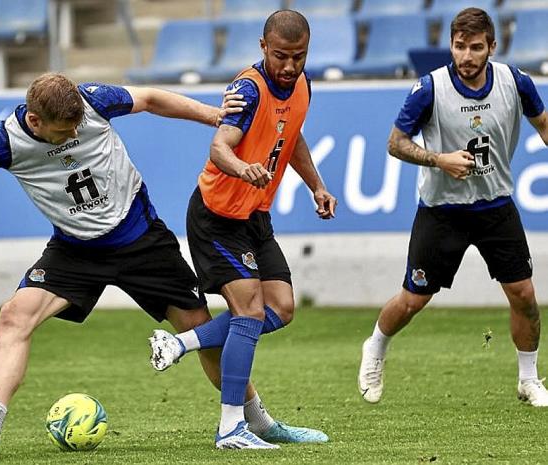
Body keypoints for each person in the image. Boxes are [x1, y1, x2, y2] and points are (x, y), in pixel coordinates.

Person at [0, 73, 305, 459]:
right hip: (75, 251)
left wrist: (213, 115)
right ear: (35, 121)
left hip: (142, 240)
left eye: (77, 128)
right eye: (62, 131)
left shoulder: (92, 100)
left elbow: (149, 98)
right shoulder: (2, 141)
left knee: (200, 331)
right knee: (14, 316)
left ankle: (259, 423)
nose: (73, 136)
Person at [149, 10, 337, 449]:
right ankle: (232, 428)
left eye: (299, 56)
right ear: (262, 47)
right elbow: (219, 147)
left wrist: (317, 186)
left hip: (254, 217)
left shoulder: (303, 85)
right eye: (281, 56)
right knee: (250, 312)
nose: (290, 66)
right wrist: (243, 168)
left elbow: (291, 138)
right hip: (217, 217)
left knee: (282, 308)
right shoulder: (248, 90)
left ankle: (182, 344)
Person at [357, 8, 548, 407]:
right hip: (442, 210)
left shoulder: (516, 82)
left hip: (495, 207)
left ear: (491, 47)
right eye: (459, 46)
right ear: (451, 45)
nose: (466, 56)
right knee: (412, 300)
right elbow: (396, 143)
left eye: (475, 47)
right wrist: (439, 159)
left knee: (525, 296)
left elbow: (543, 124)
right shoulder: (430, 89)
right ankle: (375, 347)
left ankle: (529, 379)